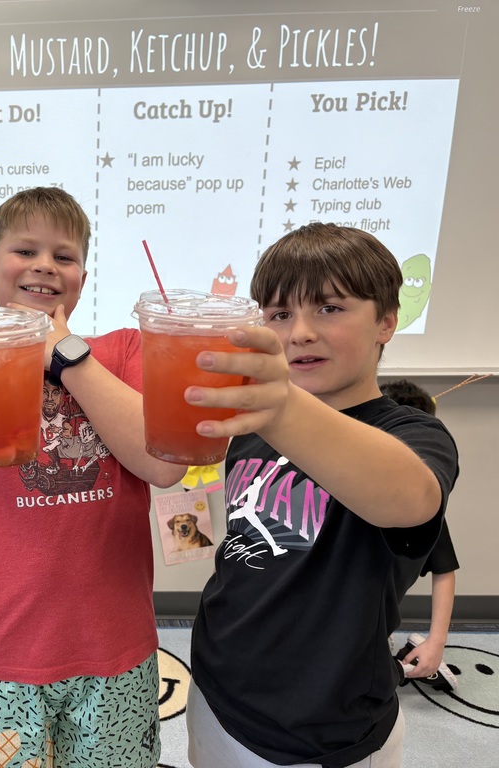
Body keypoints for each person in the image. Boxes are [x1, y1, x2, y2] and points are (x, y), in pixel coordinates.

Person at [0, 187, 185, 766]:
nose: (44, 266)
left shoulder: (122, 351)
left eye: (64, 255)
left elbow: (162, 463)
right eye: (24, 250)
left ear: (82, 274)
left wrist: (66, 356)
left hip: (113, 646)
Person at [185, 222, 460, 768]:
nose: (300, 333)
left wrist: (282, 402)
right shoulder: (254, 425)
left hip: (323, 726)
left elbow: (408, 498)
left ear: (386, 321)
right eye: (280, 314)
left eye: (330, 308)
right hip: (217, 688)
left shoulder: (413, 434)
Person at [380, 379, 460, 691]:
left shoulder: (421, 506)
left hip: (376, 618)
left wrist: (436, 641)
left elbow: (444, 570)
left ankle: (397, 653)